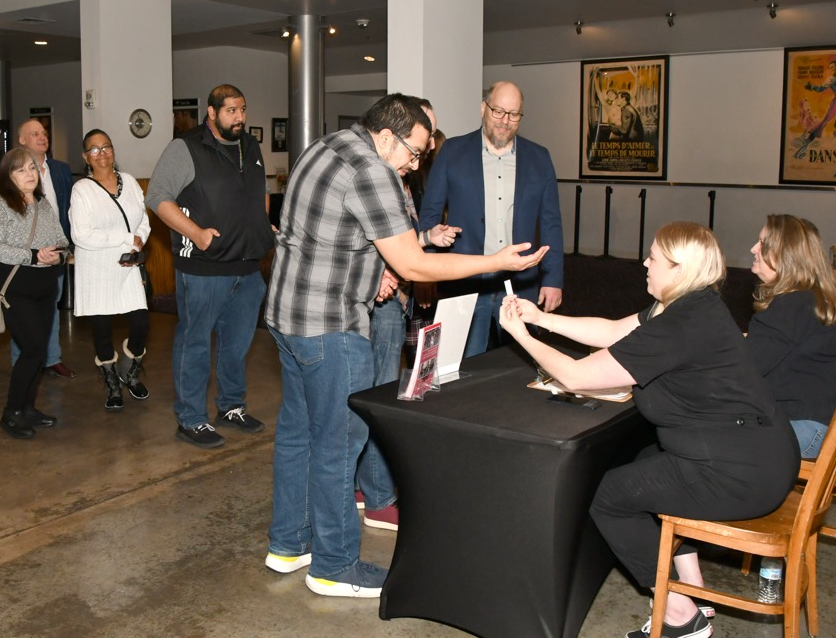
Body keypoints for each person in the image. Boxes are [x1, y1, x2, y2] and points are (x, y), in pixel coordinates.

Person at [264, 93, 548, 599]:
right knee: (338, 446)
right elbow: (415, 265)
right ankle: (334, 565)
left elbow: (321, 235)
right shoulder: (373, 171)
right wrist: (495, 262)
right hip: (331, 326)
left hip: (286, 318)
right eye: (414, 153)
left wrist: (372, 269)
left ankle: (289, 544)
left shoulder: (326, 146)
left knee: (298, 435)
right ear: (388, 136)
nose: (414, 165)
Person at [498, 221, 798, 638]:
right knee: (643, 460)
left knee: (608, 497)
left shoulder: (679, 324)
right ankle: (692, 587)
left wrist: (521, 335)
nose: (644, 262)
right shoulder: (691, 304)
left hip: (739, 473)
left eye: (653, 256)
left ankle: (679, 615)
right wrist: (540, 319)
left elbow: (577, 376)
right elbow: (612, 331)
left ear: (678, 269)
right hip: (761, 454)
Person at [146, 84, 273, 449]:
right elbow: (157, 197)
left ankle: (231, 406)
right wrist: (197, 233)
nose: (240, 117)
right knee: (196, 342)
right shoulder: (185, 147)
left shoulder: (250, 146)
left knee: (237, 344)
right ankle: (191, 419)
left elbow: (257, 190)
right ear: (212, 112)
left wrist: (261, 225)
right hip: (204, 266)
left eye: (243, 109)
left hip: (248, 267)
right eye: (231, 110)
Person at [356, 98, 458, 532]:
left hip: (400, 298)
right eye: (419, 142)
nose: (423, 152)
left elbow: (398, 234)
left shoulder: (401, 169)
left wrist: (426, 234)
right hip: (381, 304)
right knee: (381, 398)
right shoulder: (379, 171)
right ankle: (379, 497)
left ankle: (368, 486)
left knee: (398, 390)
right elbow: (367, 239)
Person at [419, 80, 564, 358]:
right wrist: (424, 274)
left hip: (521, 284)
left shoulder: (539, 158)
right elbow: (430, 215)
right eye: (498, 111)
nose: (504, 121)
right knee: (459, 363)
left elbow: (551, 223)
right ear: (483, 108)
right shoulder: (452, 152)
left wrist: (553, 278)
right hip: (463, 281)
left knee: (520, 366)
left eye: (513, 114)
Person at [747, 214, 836, 458]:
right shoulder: (815, 300)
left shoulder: (791, 305)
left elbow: (745, 369)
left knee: (699, 439)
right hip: (829, 428)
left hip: (804, 430)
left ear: (786, 255)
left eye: (763, 243)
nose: (754, 249)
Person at [0, 148, 69, 439]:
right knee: (32, 350)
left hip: (44, 288)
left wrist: (56, 254)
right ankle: (11, 413)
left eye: (32, 168)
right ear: (9, 175)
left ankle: (28, 408)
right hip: (14, 290)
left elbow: (61, 240)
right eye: (21, 170)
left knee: (40, 351)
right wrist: (33, 255)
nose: (29, 174)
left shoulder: (43, 204)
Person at [69, 129, 151, 410]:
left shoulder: (128, 181)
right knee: (102, 330)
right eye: (94, 149)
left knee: (141, 322)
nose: (101, 153)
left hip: (128, 264)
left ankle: (130, 371)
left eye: (106, 147)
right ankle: (112, 384)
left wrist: (137, 243)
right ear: (85, 157)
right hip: (97, 268)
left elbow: (143, 220)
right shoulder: (81, 190)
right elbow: (81, 235)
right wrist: (125, 239)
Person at [13, 118, 77, 380]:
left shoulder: (60, 170)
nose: (42, 137)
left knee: (51, 306)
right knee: (23, 312)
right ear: (22, 140)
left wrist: (69, 246)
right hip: (24, 253)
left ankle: (51, 359)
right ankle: (22, 363)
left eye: (44, 133)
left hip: (55, 250)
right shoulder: (12, 169)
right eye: (35, 133)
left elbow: (70, 210)